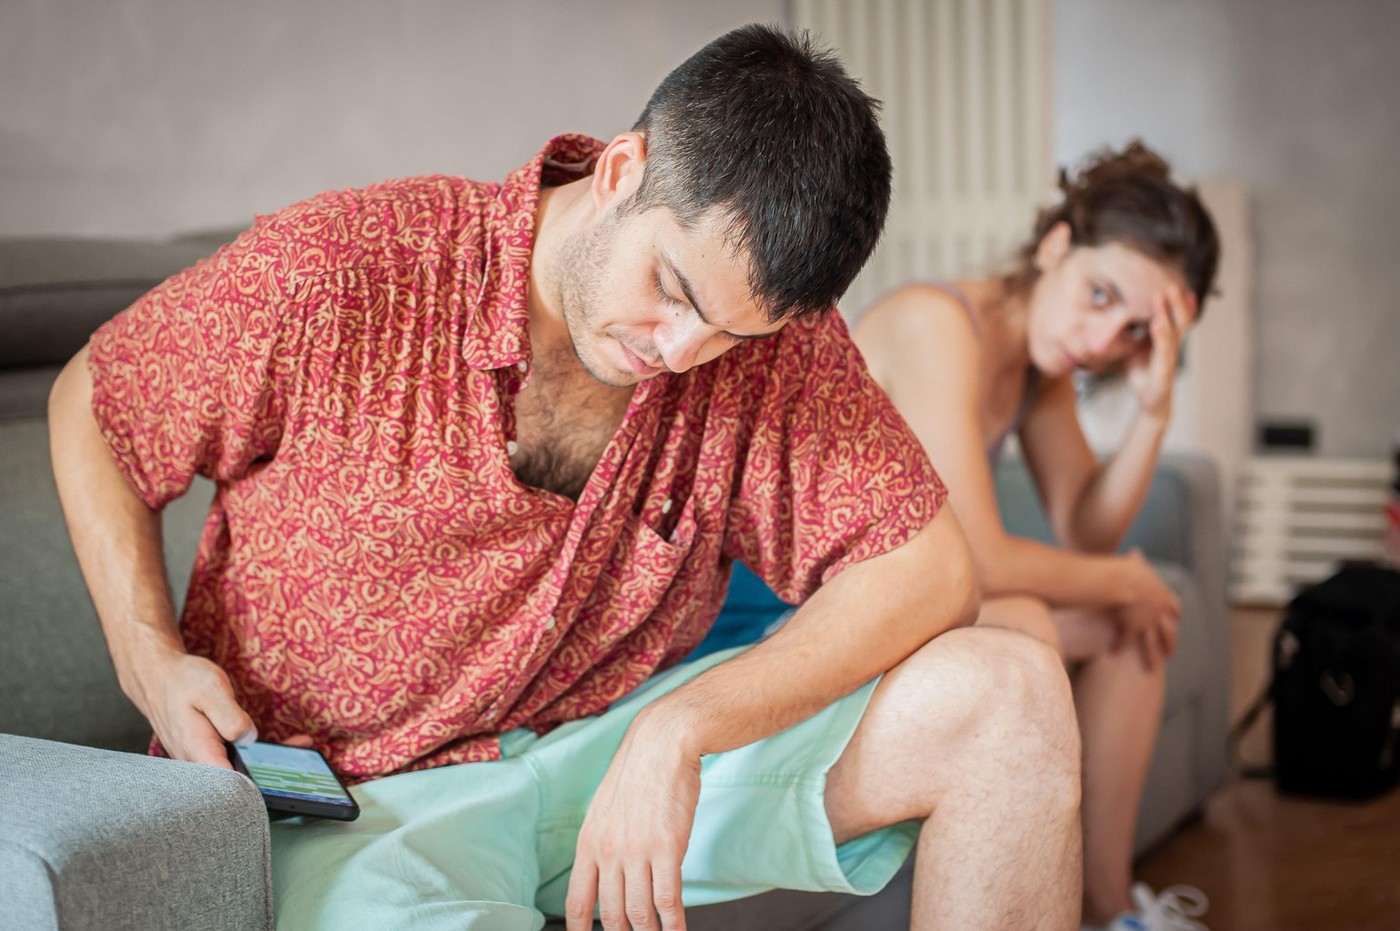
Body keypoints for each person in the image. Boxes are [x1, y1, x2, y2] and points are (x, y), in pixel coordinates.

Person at [48, 24, 1083, 931]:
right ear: (624, 168)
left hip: (607, 748)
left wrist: (683, 729)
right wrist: (147, 655)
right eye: (669, 290)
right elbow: (96, 399)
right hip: (368, 797)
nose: (679, 352)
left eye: (730, 333)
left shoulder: (761, 345)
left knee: (1009, 694)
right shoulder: (350, 268)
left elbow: (928, 569)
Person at [853, 141, 1220, 931]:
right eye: (1098, 293)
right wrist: (1132, 578)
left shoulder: (1038, 371)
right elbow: (980, 555)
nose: (1101, 340)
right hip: (805, 606)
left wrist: (1153, 411)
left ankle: (1112, 909)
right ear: (1056, 244)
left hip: (905, 596)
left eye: (1132, 331)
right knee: (1078, 616)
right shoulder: (936, 320)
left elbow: (1086, 527)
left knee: (1131, 628)